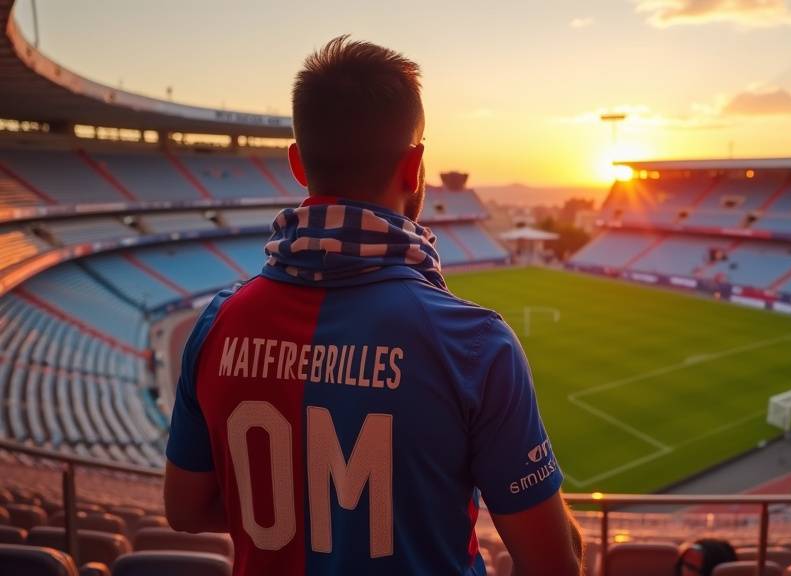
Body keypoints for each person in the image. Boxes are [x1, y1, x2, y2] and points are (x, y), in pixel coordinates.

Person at [162, 35, 583, 576]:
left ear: (297, 163)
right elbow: (554, 563)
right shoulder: (474, 342)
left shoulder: (218, 324)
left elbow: (185, 508)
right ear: (414, 166)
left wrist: (309, 513)